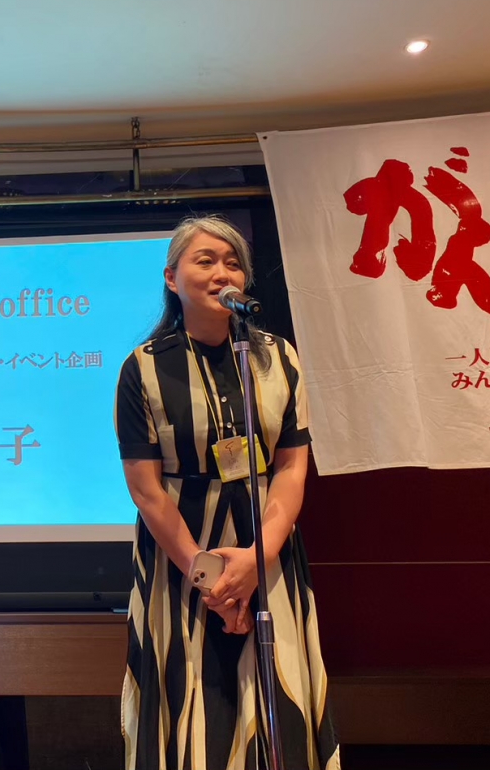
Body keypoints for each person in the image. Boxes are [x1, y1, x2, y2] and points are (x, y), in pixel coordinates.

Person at [114, 215, 340, 770]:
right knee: (192, 706)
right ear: (172, 278)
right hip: (183, 558)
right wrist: (210, 578)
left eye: (233, 263)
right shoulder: (144, 368)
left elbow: (291, 468)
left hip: (266, 547)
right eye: (206, 260)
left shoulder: (278, 357)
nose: (222, 273)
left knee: (275, 698)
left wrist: (258, 558)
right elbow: (146, 491)